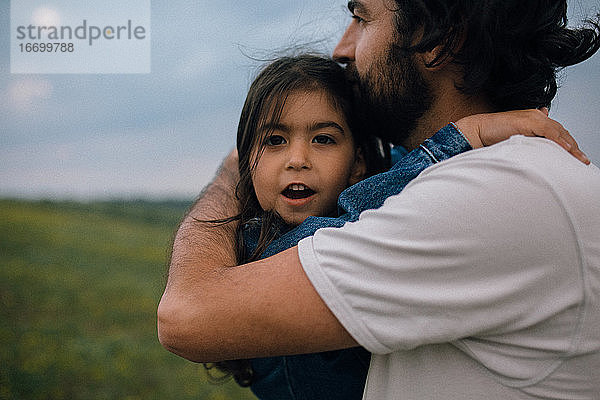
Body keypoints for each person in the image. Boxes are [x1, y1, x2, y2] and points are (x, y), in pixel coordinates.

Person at [158, 1, 600, 398]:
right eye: (274, 140)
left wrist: (230, 174)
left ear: (438, 39)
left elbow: (188, 314)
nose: (342, 48)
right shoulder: (493, 173)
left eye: (361, 18)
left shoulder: (497, 191)